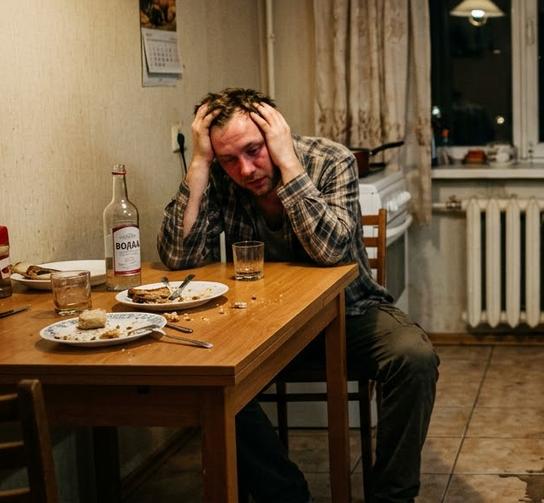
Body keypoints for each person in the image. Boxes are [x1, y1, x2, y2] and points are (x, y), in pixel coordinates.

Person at [158, 88, 438, 503]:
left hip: (349, 312)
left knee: (414, 357)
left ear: (276, 132)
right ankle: (285, 495)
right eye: (229, 159)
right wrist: (199, 163)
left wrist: (288, 163)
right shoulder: (219, 174)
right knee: (209, 378)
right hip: (260, 322)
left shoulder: (331, 160)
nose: (246, 169)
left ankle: (392, 498)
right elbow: (178, 258)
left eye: (254, 150)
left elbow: (331, 252)